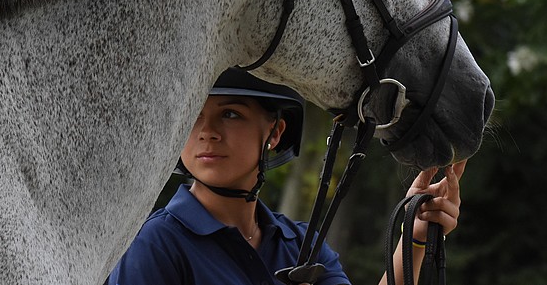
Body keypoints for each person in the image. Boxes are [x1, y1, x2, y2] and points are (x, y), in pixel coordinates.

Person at [106, 68, 466, 285]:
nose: (207, 132)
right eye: (193, 116)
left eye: (230, 114)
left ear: (275, 132)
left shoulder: (300, 245)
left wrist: (414, 237)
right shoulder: (154, 244)